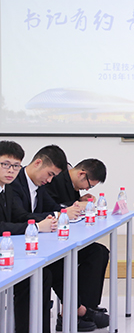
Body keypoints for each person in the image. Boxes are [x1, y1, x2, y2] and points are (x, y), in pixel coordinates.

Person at [9, 145, 107, 331]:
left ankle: (79, 310)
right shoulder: (14, 184)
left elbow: (54, 207)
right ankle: (77, 311)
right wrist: (57, 215)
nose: (49, 180)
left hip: (36, 244)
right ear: (37, 163)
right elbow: (20, 216)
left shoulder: (38, 186)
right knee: (51, 270)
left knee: (92, 253)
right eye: (50, 174)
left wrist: (67, 210)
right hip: (19, 248)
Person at [0, 141, 56, 333]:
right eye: (5, 164)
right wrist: (37, 227)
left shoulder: (6, 188)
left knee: (41, 274)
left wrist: (47, 220)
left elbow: (19, 215)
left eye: (16, 166)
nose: (11, 171)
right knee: (32, 277)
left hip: (6, 250)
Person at [45, 159, 110, 319]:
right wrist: (73, 205)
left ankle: (88, 306)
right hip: (51, 240)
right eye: (89, 185)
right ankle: (78, 310)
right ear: (82, 174)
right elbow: (49, 207)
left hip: (66, 237)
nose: (87, 189)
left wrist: (79, 202)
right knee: (94, 254)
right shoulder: (55, 180)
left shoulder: (72, 184)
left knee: (100, 252)